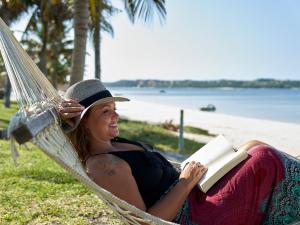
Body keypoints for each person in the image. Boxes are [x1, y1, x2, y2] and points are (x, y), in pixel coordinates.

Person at [59, 79, 300, 225]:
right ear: (83, 123)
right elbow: (146, 221)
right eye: (105, 112)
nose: (116, 116)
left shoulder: (113, 142)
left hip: (194, 191)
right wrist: (185, 182)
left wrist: (188, 180)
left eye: (114, 109)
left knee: (252, 146)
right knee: (264, 159)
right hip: (191, 214)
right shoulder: (104, 166)